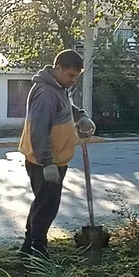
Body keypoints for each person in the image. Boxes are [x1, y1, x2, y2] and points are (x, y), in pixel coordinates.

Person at [18, 49, 95, 257]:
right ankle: (38, 250)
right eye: (70, 75)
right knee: (47, 206)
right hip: (44, 161)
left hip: (54, 159)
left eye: (76, 77)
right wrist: (47, 163)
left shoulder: (58, 87)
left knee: (42, 203)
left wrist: (81, 116)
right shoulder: (45, 93)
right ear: (58, 68)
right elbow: (38, 129)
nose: (73, 80)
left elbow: (65, 107)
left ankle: (28, 246)